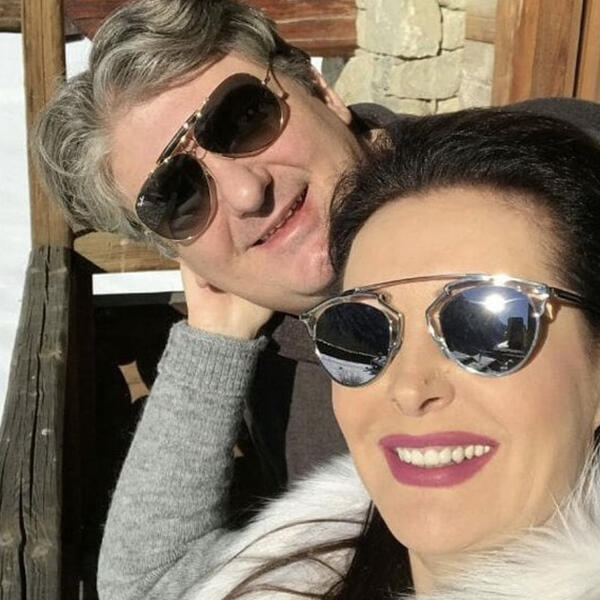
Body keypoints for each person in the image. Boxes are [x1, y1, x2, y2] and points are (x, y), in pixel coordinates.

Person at [33, 0, 600, 488]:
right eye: (177, 195)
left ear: (322, 92)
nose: (247, 192)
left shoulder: (549, 175)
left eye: (242, 119)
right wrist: (211, 343)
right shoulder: (269, 369)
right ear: (173, 251)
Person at [97, 109, 600, 599]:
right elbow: (154, 585)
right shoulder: (313, 556)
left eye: (486, 324)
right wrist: (214, 336)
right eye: (361, 333)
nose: (409, 388)